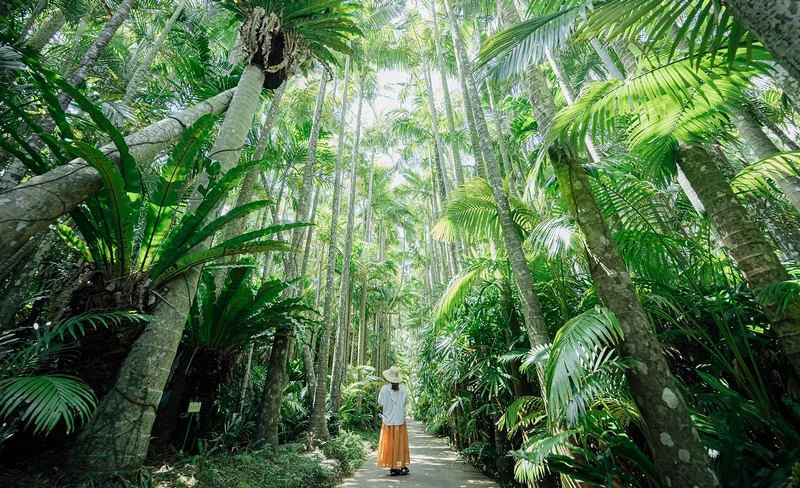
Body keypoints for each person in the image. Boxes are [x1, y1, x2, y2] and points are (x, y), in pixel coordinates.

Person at [376, 365, 410, 476]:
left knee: (390, 445)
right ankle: (402, 466)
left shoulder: (384, 389)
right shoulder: (403, 389)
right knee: (400, 444)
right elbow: (406, 401)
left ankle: (393, 468)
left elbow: (380, 402)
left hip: (388, 421)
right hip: (399, 420)